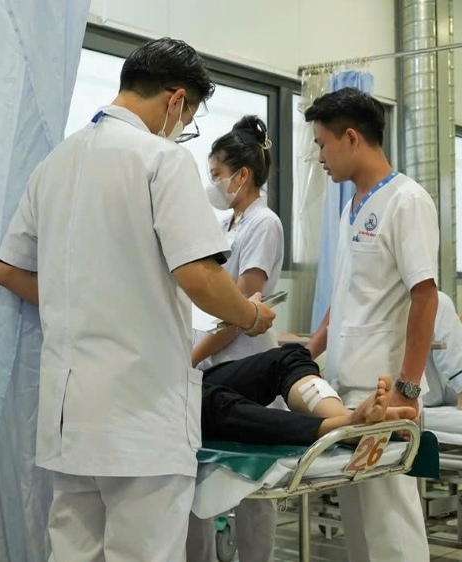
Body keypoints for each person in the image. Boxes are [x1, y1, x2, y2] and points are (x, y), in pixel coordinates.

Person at [0, 38, 275, 562]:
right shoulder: (162, 159)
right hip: (141, 416)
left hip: (69, 418)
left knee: (73, 553)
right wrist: (252, 315)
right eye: (187, 118)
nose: (182, 129)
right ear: (176, 100)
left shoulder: (54, 163)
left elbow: (8, 270)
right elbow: (200, 276)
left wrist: (79, 292)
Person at [304, 87, 438, 562]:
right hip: (349, 394)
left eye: (323, 144)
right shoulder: (352, 207)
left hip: (386, 395)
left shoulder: (407, 201)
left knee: (390, 523)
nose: (320, 157)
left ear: (352, 138)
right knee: (359, 522)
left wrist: (408, 388)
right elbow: (344, 296)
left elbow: (425, 296)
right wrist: (306, 353)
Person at [186, 115, 284, 562]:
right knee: (205, 477)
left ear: (241, 176)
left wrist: (194, 355)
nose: (213, 184)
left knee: (251, 487)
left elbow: (241, 309)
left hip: (245, 362)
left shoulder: (264, 223)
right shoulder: (227, 224)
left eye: (217, 175)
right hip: (216, 364)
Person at [199, 344, 417, 445]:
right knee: (208, 400)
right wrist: (251, 313)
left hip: (187, 369)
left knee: (289, 357)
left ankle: (344, 416)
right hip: (179, 389)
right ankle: (341, 427)